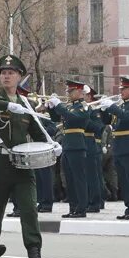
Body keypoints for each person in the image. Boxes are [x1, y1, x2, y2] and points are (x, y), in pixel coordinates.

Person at [0, 54, 60, 258]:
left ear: (19, 76)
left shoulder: (25, 105)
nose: (6, 76)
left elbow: (38, 133)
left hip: (22, 165)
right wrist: (5, 104)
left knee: (30, 211)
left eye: (11, 73)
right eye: (3, 72)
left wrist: (52, 144)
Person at [101, 78, 129, 220]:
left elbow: (127, 117)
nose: (121, 92)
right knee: (125, 182)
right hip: (120, 148)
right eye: (120, 89)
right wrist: (104, 111)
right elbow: (108, 122)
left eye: (123, 89)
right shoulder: (123, 106)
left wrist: (113, 107)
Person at [45, 81, 90, 218]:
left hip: (77, 145)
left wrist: (59, 105)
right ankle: (73, 207)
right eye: (68, 92)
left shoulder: (83, 106)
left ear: (79, 92)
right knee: (69, 179)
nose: (68, 94)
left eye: (71, 91)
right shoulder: (70, 106)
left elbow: (73, 118)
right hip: (68, 145)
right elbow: (56, 119)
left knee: (79, 178)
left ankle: (81, 208)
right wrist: (51, 108)